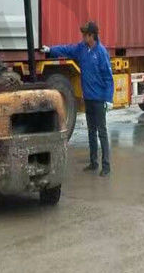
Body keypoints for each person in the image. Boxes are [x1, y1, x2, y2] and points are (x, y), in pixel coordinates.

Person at [41, 21, 114, 176]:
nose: (83, 37)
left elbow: (108, 78)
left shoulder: (101, 53)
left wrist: (109, 99)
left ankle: (106, 166)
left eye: (85, 35)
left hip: (99, 100)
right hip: (88, 98)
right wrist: (50, 50)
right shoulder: (82, 49)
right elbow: (67, 49)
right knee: (91, 131)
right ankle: (93, 163)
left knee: (102, 132)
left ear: (92, 35)